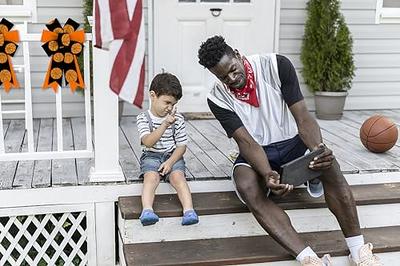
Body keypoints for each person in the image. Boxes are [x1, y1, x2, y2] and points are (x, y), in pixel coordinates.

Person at [197, 36, 382, 266]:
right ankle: (309, 259)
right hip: (258, 153)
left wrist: (317, 150)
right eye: (224, 77)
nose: (233, 79)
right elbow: (246, 142)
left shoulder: (276, 66)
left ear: (237, 54)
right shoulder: (216, 97)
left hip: (293, 143)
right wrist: (267, 173)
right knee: (246, 185)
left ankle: (358, 252)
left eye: (234, 70)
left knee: (329, 164)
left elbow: (303, 117)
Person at [136, 73, 199, 226]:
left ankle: (189, 211)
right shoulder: (144, 118)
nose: (170, 108)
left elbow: (181, 146)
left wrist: (170, 162)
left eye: (173, 104)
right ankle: (147, 211)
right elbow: (148, 142)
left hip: (172, 156)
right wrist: (164, 125)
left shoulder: (177, 119)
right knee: (151, 178)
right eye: (167, 102)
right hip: (151, 155)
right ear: (153, 95)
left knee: (178, 178)